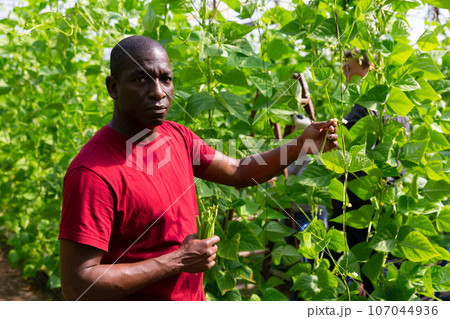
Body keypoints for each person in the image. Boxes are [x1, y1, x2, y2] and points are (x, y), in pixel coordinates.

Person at [58, 35, 339, 301]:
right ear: (112, 87)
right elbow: (77, 283)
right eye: (140, 79)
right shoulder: (93, 174)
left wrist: (302, 146)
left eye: (165, 79)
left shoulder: (177, 137)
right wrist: (177, 260)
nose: (158, 92)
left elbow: (240, 171)